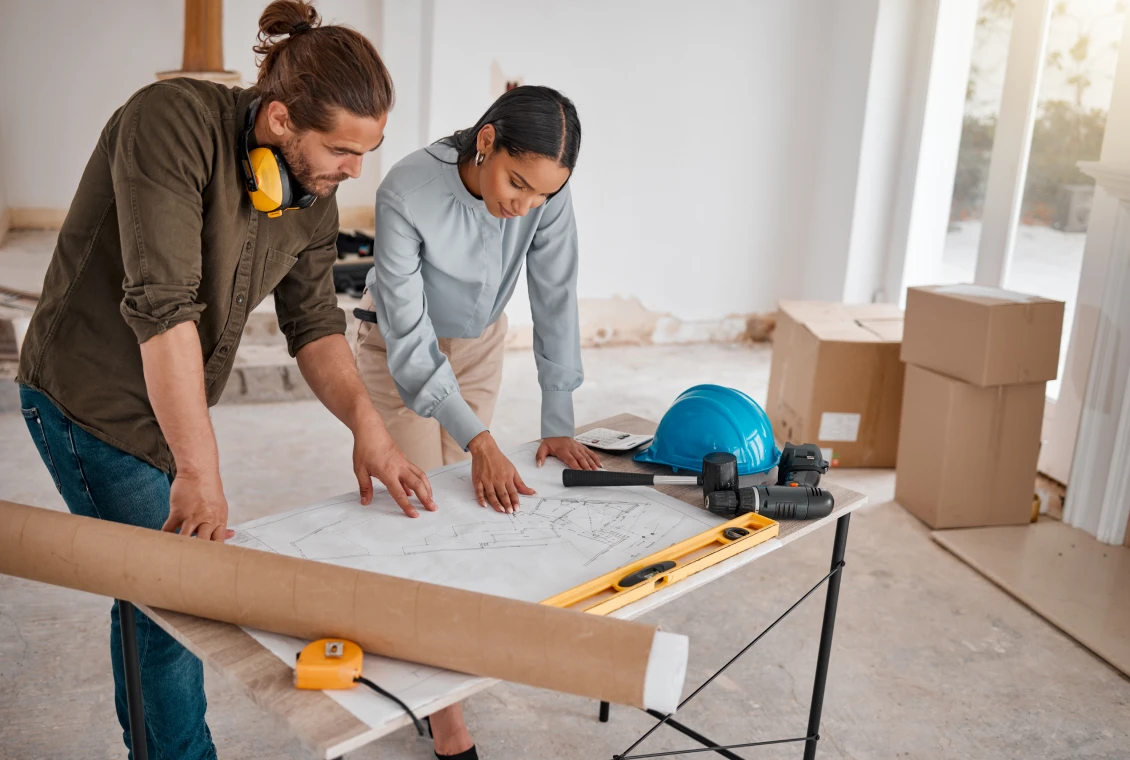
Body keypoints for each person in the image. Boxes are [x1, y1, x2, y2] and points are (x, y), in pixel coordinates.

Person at [15, 2, 435, 758]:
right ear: (279, 119)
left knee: (164, 596)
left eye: (365, 153)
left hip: (171, 406)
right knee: (172, 605)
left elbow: (313, 328)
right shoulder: (169, 122)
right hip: (93, 399)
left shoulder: (310, 188)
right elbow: (164, 307)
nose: (354, 171)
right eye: (343, 149)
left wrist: (370, 430)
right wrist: (198, 468)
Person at [352, 85, 601, 757]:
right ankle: (447, 718)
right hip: (397, 348)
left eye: (540, 196)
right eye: (517, 183)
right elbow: (409, 346)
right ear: (485, 140)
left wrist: (558, 417)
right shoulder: (407, 189)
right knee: (416, 517)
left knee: (463, 512)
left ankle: (442, 666)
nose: (523, 205)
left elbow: (556, 297)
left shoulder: (546, 191)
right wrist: (482, 441)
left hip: (481, 344)